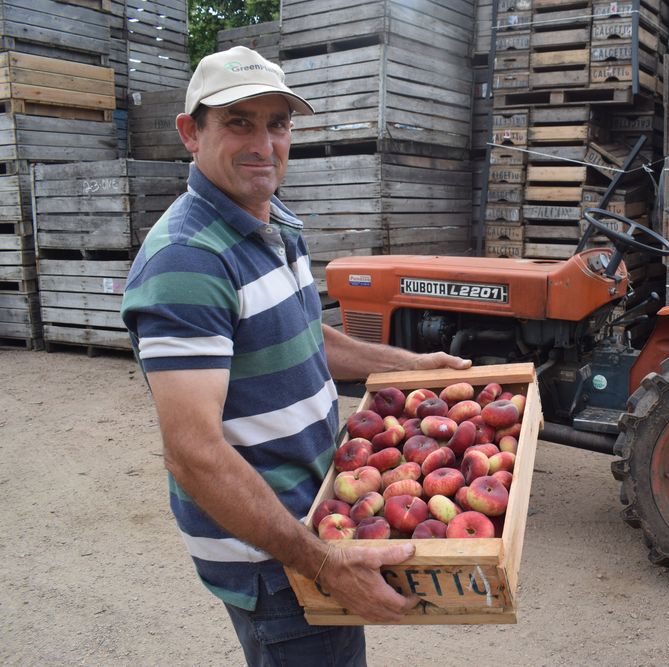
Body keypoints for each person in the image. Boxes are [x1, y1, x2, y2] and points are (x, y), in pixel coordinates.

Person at [120, 46, 470, 666]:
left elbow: (308, 336)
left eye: (277, 123)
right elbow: (192, 452)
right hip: (275, 554)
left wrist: (406, 365)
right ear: (189, 133)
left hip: (316, 517)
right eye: (237, 122)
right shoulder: (189, 260)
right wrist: (322, 563)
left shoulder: (274, 221)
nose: (263, 143)